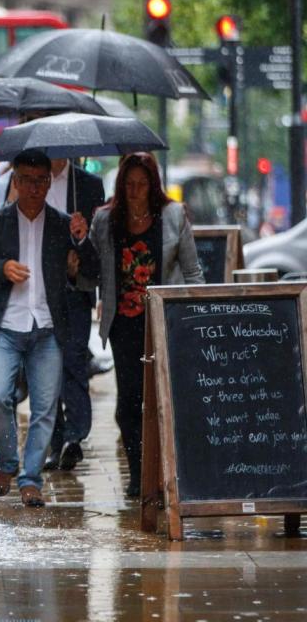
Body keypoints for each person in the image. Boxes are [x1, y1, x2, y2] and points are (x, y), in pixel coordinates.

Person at [0, 150, 97, 508]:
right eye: (27, 180)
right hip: (4, 328)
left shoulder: (63, 224)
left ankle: (31, 478)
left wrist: (82, 243)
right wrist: (1, 267)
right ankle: (7, 463)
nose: (34, 187)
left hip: (48, 330)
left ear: (49, 182)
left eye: (41, 180)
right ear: (16, 181)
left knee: (44, 408)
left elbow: (90, 275)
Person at [89, 152, 203, 498]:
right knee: (128, 404)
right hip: (124, 324)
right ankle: (138, 472)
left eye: (142, 184)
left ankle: (167, 471)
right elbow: (89, 270)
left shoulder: (172, 215)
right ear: (120, 185)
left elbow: (192, 269)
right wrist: (78, 242)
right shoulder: (106, 220)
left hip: (163, 322)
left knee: (165, 400)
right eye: (130, 183)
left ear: (153, 185)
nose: (136, 190)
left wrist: (196, 316)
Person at [42, 159, 105, 472]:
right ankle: (55, 441)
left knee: (74, 359)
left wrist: (81, 241)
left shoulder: (88, 186)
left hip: (75, 290)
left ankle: (74, 437)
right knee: (47, 365)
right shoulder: (30, 179)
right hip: (40, 291)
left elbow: (101, 249)